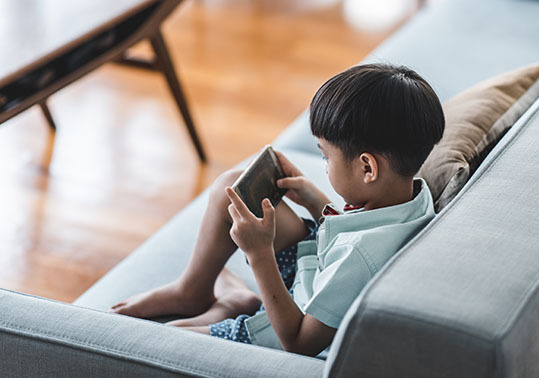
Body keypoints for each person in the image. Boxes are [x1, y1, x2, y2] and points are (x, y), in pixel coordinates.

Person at [110, 63, 445, 356]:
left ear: (367, 169)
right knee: (233, 189)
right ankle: (192, 291)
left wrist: (259, 253)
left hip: (284, 325)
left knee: (153, 342)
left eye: (326, 156)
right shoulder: (414, 195)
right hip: (315, 272)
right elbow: (360, 238)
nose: (324, 165)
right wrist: (315, 201)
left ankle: (234, 306)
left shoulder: (358, 258)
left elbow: (299, 342)